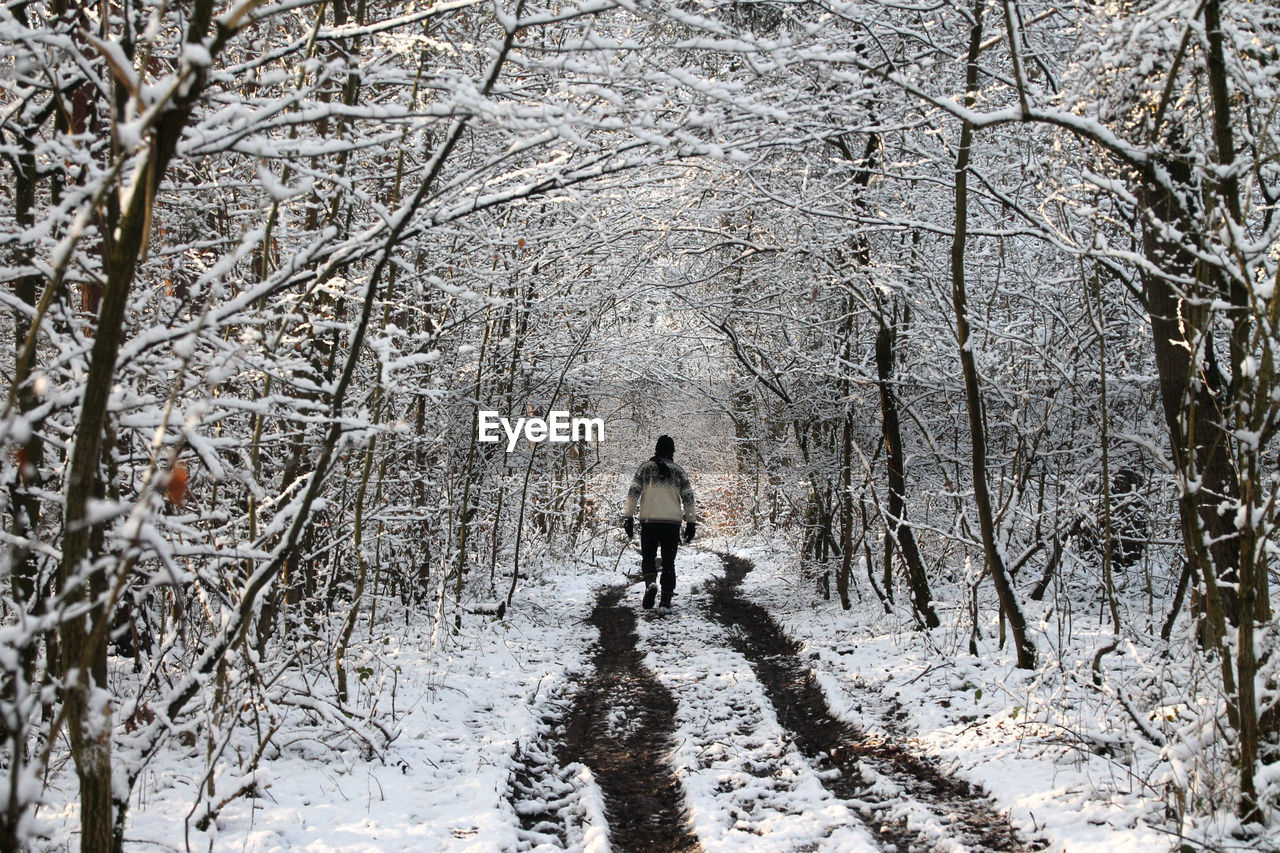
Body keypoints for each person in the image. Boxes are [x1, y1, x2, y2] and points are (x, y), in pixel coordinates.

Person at [622, 435, 696, 609]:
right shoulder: (678, 471)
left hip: (650, 520)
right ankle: (665, 601)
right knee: (669, 562)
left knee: (648, 556)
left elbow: (633, 494)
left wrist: (628, 517)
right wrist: (691, 522)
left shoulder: (645, 469)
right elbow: (688, 498)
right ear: (672, 452)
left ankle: (651, 583)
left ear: (656, 449)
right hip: (672, 522)